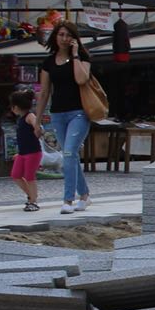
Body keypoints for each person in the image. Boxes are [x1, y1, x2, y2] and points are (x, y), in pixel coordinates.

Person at [36, 20, 95, 214]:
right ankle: (84, 195)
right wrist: (37, 120)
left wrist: (76, 54)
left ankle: (68, 200)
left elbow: (81, 79)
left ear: (74, 38)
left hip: (79, 112)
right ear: (55, 36)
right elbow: (44, 93)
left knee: (69, 153)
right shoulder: (48, 62)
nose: (64, 38)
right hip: (58, 114)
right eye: (61, 34)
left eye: (68, 35)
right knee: (71, 156)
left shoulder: (82, 57)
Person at [9, 89, 44, 212]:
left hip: (33, 152)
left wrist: (38, 129)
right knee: (16, 175)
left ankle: (33, 201)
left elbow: (36, 124)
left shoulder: (29, 116)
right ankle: (31, 195)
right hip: (23, 153)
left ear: (16, 107)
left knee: (29, 176)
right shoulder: (20, 119)